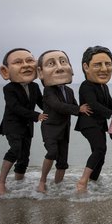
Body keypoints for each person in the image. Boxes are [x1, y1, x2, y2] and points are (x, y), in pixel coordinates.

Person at [36, 50, 92, 193]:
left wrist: (86, 113)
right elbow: (58, 106)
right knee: (52, 152)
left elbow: (74, 107)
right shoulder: (48, 90)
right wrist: (78, 109)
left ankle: (57, 187)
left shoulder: (69, 91)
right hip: (50, 127)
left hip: (64, 128)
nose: (60, 67)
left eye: (63, 62)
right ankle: (42, 181)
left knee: (62, 161)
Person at [0, 48, 47, 195]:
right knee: (15, 150)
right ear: (6, 71)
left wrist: (56, 109)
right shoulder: (9, 88)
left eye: (30, 60)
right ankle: (1, 183)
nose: (25, 65)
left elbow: (42, 103)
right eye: (18, 62)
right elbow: (15, 107)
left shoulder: (34, 86)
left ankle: (19, 183)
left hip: (27, 126)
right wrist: (36, 116)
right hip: (12, 125)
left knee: (24, 156)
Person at [75, 46, 112, 192]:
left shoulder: (104, 86)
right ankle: (82, 182)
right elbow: (93, 104)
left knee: (101, 155)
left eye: (108, 64)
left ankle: (93, 182)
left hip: (99, 124)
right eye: (98, 64)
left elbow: (111, 104)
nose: (104, 68)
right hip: (88, 123)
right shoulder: (86, 86)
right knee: (99, 149)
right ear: (86, 67)